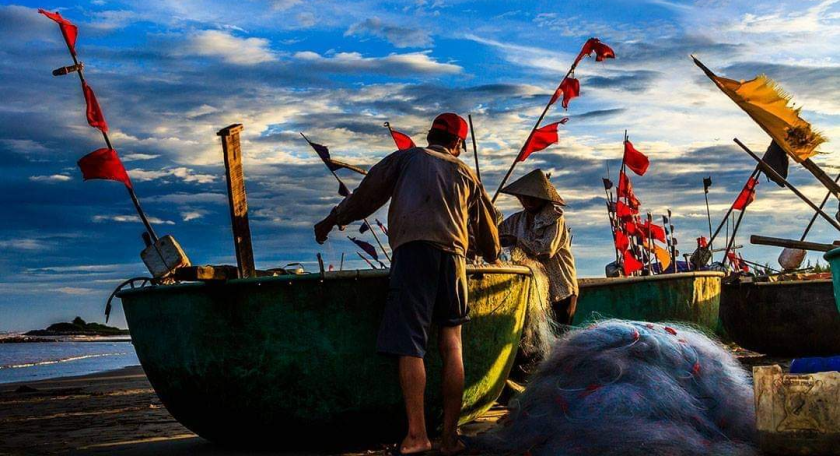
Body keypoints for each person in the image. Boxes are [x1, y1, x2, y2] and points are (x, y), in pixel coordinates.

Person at [314, 113, 500, 455]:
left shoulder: (406, 158)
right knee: (452, 344)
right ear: (458, 144)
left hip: (414, 254)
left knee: (410, 345)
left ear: (430, 135)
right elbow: (491, 242)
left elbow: (365, 197)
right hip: (454, 261)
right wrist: (488, 252)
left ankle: (417, 436)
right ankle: (449, 438)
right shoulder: (466, 173)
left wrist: (331, 220)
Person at [498, 169, 578, 324]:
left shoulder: (555, 218)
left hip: (561, 291)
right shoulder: (515, 221)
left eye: (533, 198)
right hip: (535, 291)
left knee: (558, 339)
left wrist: (516, 241)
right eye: (524, 197)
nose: (528, 201)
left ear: (543, 198)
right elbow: (495, 236)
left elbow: (545, 251)